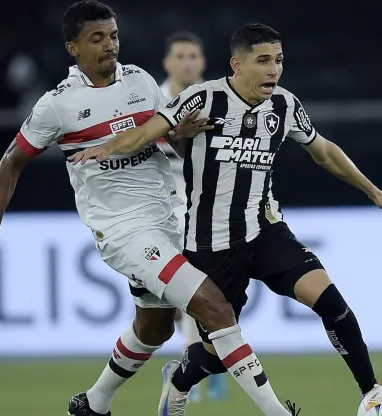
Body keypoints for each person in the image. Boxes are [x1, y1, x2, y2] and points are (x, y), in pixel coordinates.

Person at [0, 3, 300, 416]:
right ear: (73, 48)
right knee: (215, 307)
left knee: (155, 327)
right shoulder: (58, 105)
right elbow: (9, 164)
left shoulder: (141, 81)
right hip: (124, 231)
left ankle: (94, 402)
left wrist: (182, 133)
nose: (110, 45)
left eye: (113, 35)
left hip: (170, 215)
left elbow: (164, 137)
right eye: (97, 38)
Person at [67, 22, 382, 415]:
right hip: (212, 246)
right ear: (236, 65)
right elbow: (147, 132)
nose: (274, 70)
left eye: (278, 60)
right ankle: (179, 380)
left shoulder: (285, 106)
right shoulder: (202, 99)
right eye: (263, 61)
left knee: (333, 304)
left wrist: (373, 191)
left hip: (266, 232)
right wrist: (106, 147)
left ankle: (371, 392)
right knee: (215, 355)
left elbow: (324, 151)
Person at [157, 30, 228, 403]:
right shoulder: (152, 101)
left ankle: (203, 367)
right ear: (168, 63)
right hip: (161, 210)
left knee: (214, 290)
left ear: (202, 62)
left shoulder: (218, 101)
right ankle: (199, 368)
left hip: (210, 210)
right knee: (180, 298)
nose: (187, 62)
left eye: (193, 56)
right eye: (179, 56)